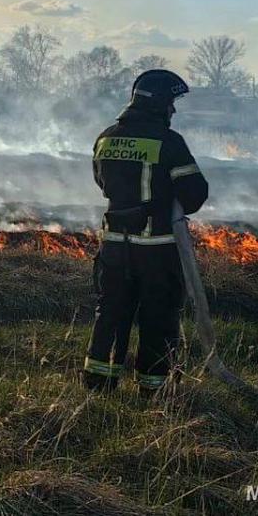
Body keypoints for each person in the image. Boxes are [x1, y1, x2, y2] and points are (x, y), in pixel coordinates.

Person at [82, 69, 209, 394]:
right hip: (157, 250)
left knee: (111, 315)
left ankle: (97, 386)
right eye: (171, 103)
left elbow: (102, 183)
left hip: (114, 247)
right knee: (158, 318)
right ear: (159, 103)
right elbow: (195, 195)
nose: (173, 110)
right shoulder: (169, 142)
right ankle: (154, 390)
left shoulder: (106, 137)